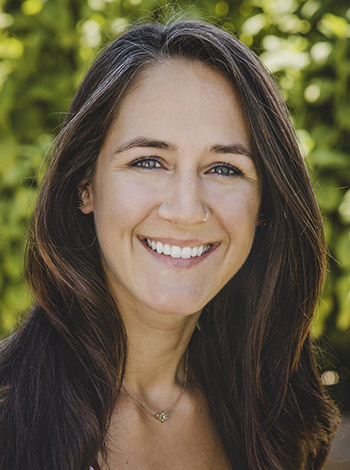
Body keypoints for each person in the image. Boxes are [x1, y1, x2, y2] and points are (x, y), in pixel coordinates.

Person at [0, 20, 339, 470]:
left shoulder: (275, 416)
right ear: (85, 185)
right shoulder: (9, 414)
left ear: (265, 205)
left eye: (224, 168)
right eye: (148, 161)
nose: (186, 209)